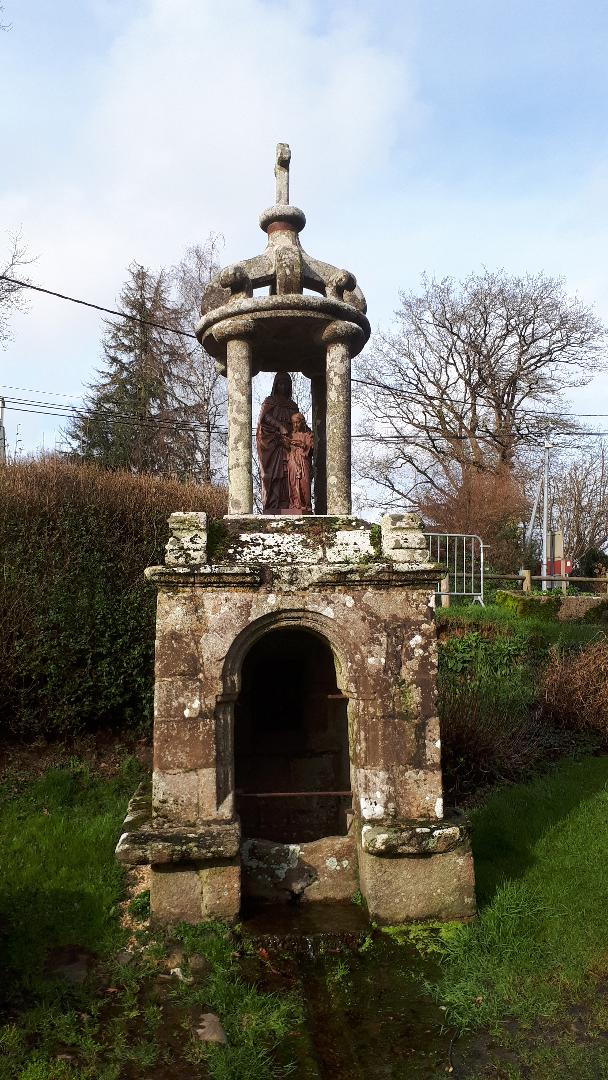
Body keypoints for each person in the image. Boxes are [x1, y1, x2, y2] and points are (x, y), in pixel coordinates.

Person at [256, 372, 299, 512]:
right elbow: (264, 419)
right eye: (281, 384)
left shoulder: (292, 406)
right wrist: (279, 427)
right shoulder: (269, 401)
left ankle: (289, 503)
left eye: (286, 384)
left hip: (289, 444)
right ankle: (273, 504)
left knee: (290, 472)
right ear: (275, 385)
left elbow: (298, 424)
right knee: (274, 474)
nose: (283, 387)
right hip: (273, 445)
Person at [287, 413, 313, 513]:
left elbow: (310, 449)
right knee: (293, 482)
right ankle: (295, 504)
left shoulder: (308, 435)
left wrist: (301, 444)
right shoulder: (291, 435)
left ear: (302, 422)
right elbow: (286, 449)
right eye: (294, 423)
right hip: (293, 461)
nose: (295, 425)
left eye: (297, 422)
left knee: (304, 482)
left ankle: (306, 505)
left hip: (303, 461)